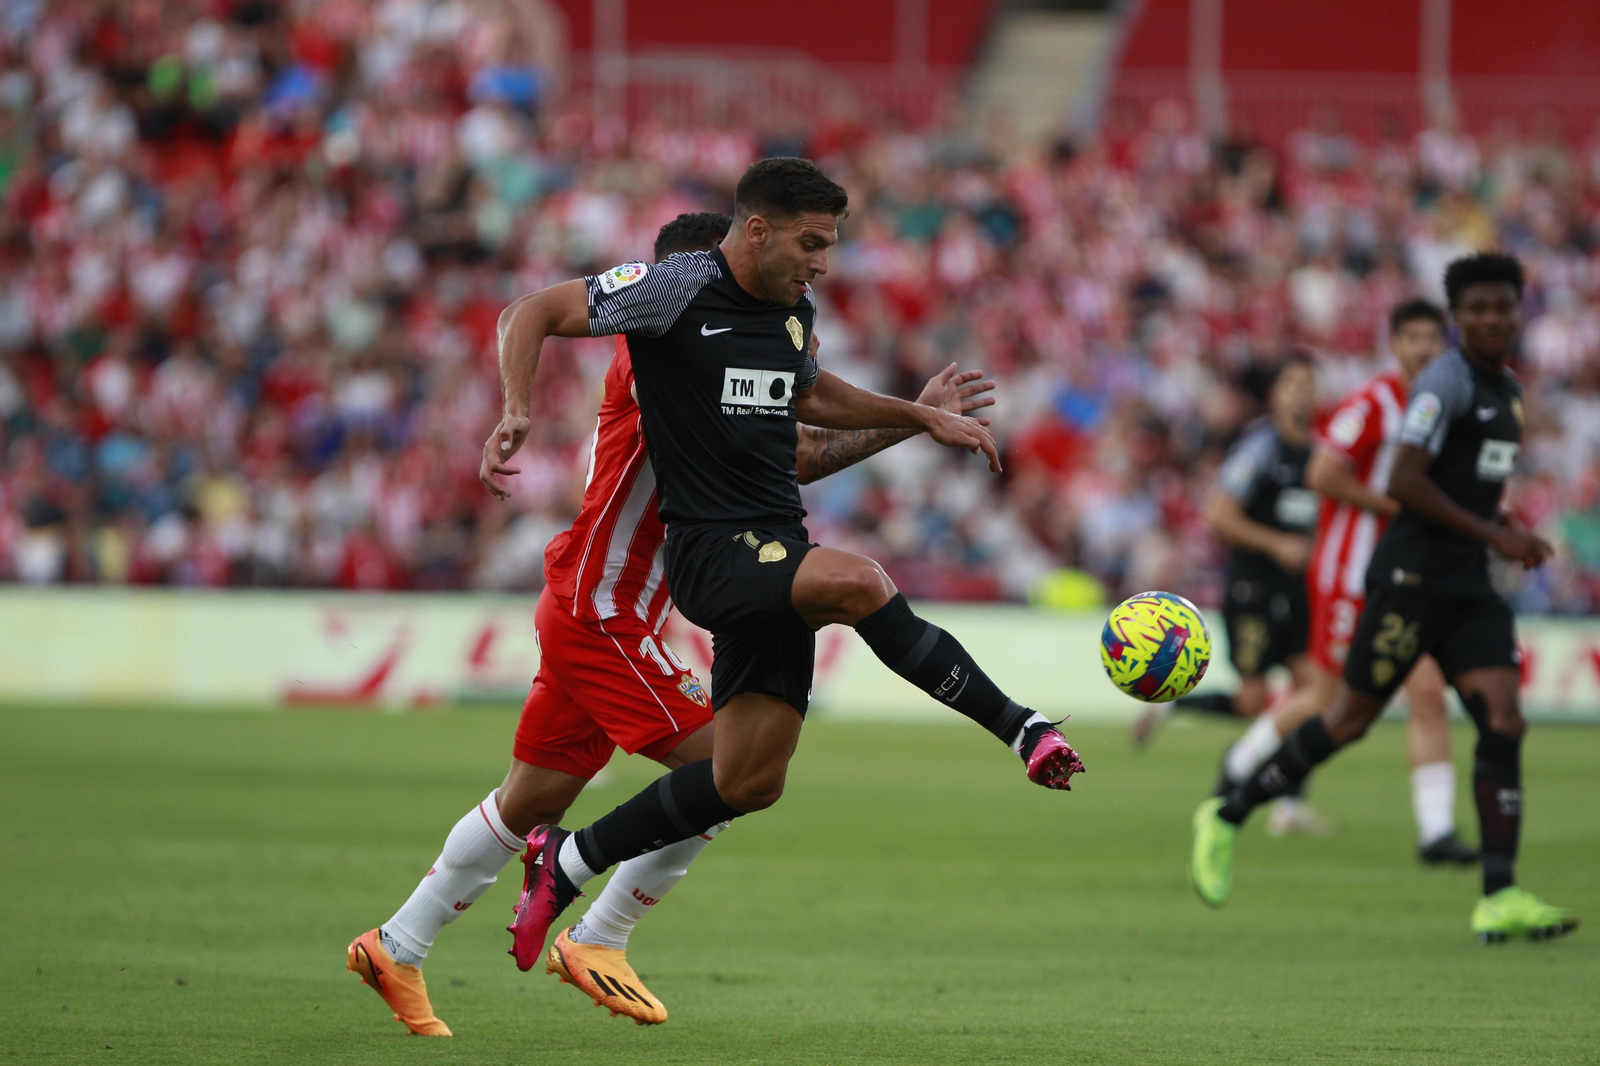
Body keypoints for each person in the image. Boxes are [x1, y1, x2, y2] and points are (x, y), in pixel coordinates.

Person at [345, 211, 1000, 1034]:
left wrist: (910, 415)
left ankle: (395, 944)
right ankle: (601, 934)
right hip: (603, 611)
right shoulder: (671, 350)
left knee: (529, 801)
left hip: (596, 600)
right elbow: (790, 450)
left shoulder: (700, 351)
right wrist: (910, 415)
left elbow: (792, 452)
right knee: (734, 771)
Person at [489, 157, 1085, 989]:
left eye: (831, 245)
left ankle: (570, 859)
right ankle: (1023, 728)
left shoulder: (792, 313)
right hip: (711, 553)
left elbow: (812, 400)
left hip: (771, 550)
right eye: (812, 242)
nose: (823, 263)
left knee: (748, 781)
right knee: (860, 581)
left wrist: (916, 414)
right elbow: (533, 311)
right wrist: (517, 406)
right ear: (757, 229)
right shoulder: (674, 288)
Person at [1189, 252, 1579, 944]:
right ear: (1458, 319)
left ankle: (1498, 891)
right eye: (1477, 309)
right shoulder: (1443, 385)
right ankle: (1228, 811)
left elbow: (1472, 487)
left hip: (1469, 587)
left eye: (1502, 307)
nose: (1491, 319)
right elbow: (1404, 479)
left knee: (1503, 718)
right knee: (1345, 718)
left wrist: (1506, 525)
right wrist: (1495, 532)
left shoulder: (1510, 394)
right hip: (1409, 582)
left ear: (1518, 313)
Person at [1214, 300, 1478, 863]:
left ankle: (1436, 832)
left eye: (1434, 337)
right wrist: (1393, 504)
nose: (1424, 348)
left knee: (1427, 692)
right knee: (1325, 697)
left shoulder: (1449, 406)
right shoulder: (1372, 404)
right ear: (1395, 344)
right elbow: (1323, 473)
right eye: (1412, 337)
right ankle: (1238, 769)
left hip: (1411, 576)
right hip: (1351, 575)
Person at [1134, 355, 1327, 832]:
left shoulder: (1322, 453)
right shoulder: (1260, 447)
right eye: (1292, 383)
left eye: (1308, 383)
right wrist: (1277, 542)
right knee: (1254, 703)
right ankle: (1178, 705)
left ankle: (1290, 805)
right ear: (1276, 395)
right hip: (1253, 586)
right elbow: (1219, 514)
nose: (1301, 393)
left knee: (1317, 694)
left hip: (1296, 589)